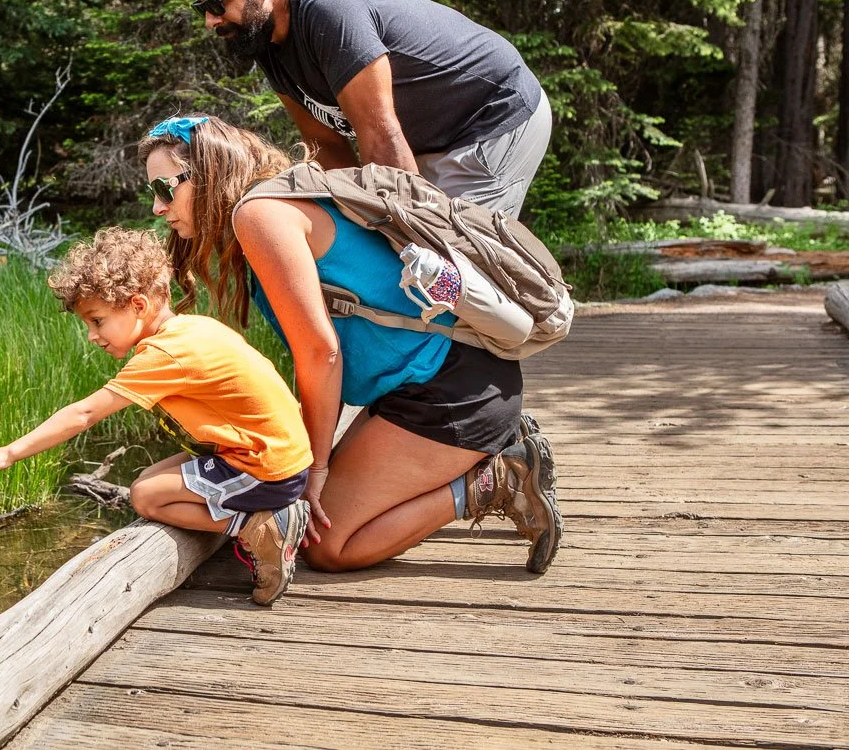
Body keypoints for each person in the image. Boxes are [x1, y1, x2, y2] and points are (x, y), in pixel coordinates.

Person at [140, 115, 562, 574]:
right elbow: (330, 348)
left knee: (327, 546)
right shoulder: (278, 202)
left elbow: (321, 353)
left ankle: (499, 479)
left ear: (209, 172)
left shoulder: (259, 216)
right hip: (428, 385)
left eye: (165, 189)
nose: (158, 207)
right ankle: (486, 453)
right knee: (307, 514)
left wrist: (313, 470)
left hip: (454, 391)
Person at [0, 224, 313, 605]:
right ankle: (259, 515)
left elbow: (85, 414)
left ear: (138, 306)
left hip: (266, 468)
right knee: (151, 477)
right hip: (277, 454)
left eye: (97, 320)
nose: (91, 335)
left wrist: (8, 453)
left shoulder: (163, 355)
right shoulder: (189, 330)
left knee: (146, 497)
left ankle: (260, 527)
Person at [193, 0, 551, 217]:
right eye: (201, 9)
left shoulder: (328, 11)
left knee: (453, 262)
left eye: (217, 3)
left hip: (491, 113)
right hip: (429, 142)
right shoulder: (266, 41)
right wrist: (354, 222)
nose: (210, 20)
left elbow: (381, 134)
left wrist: (401, 231)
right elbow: (326, 144)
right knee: (415, 260)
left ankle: (538, 292)